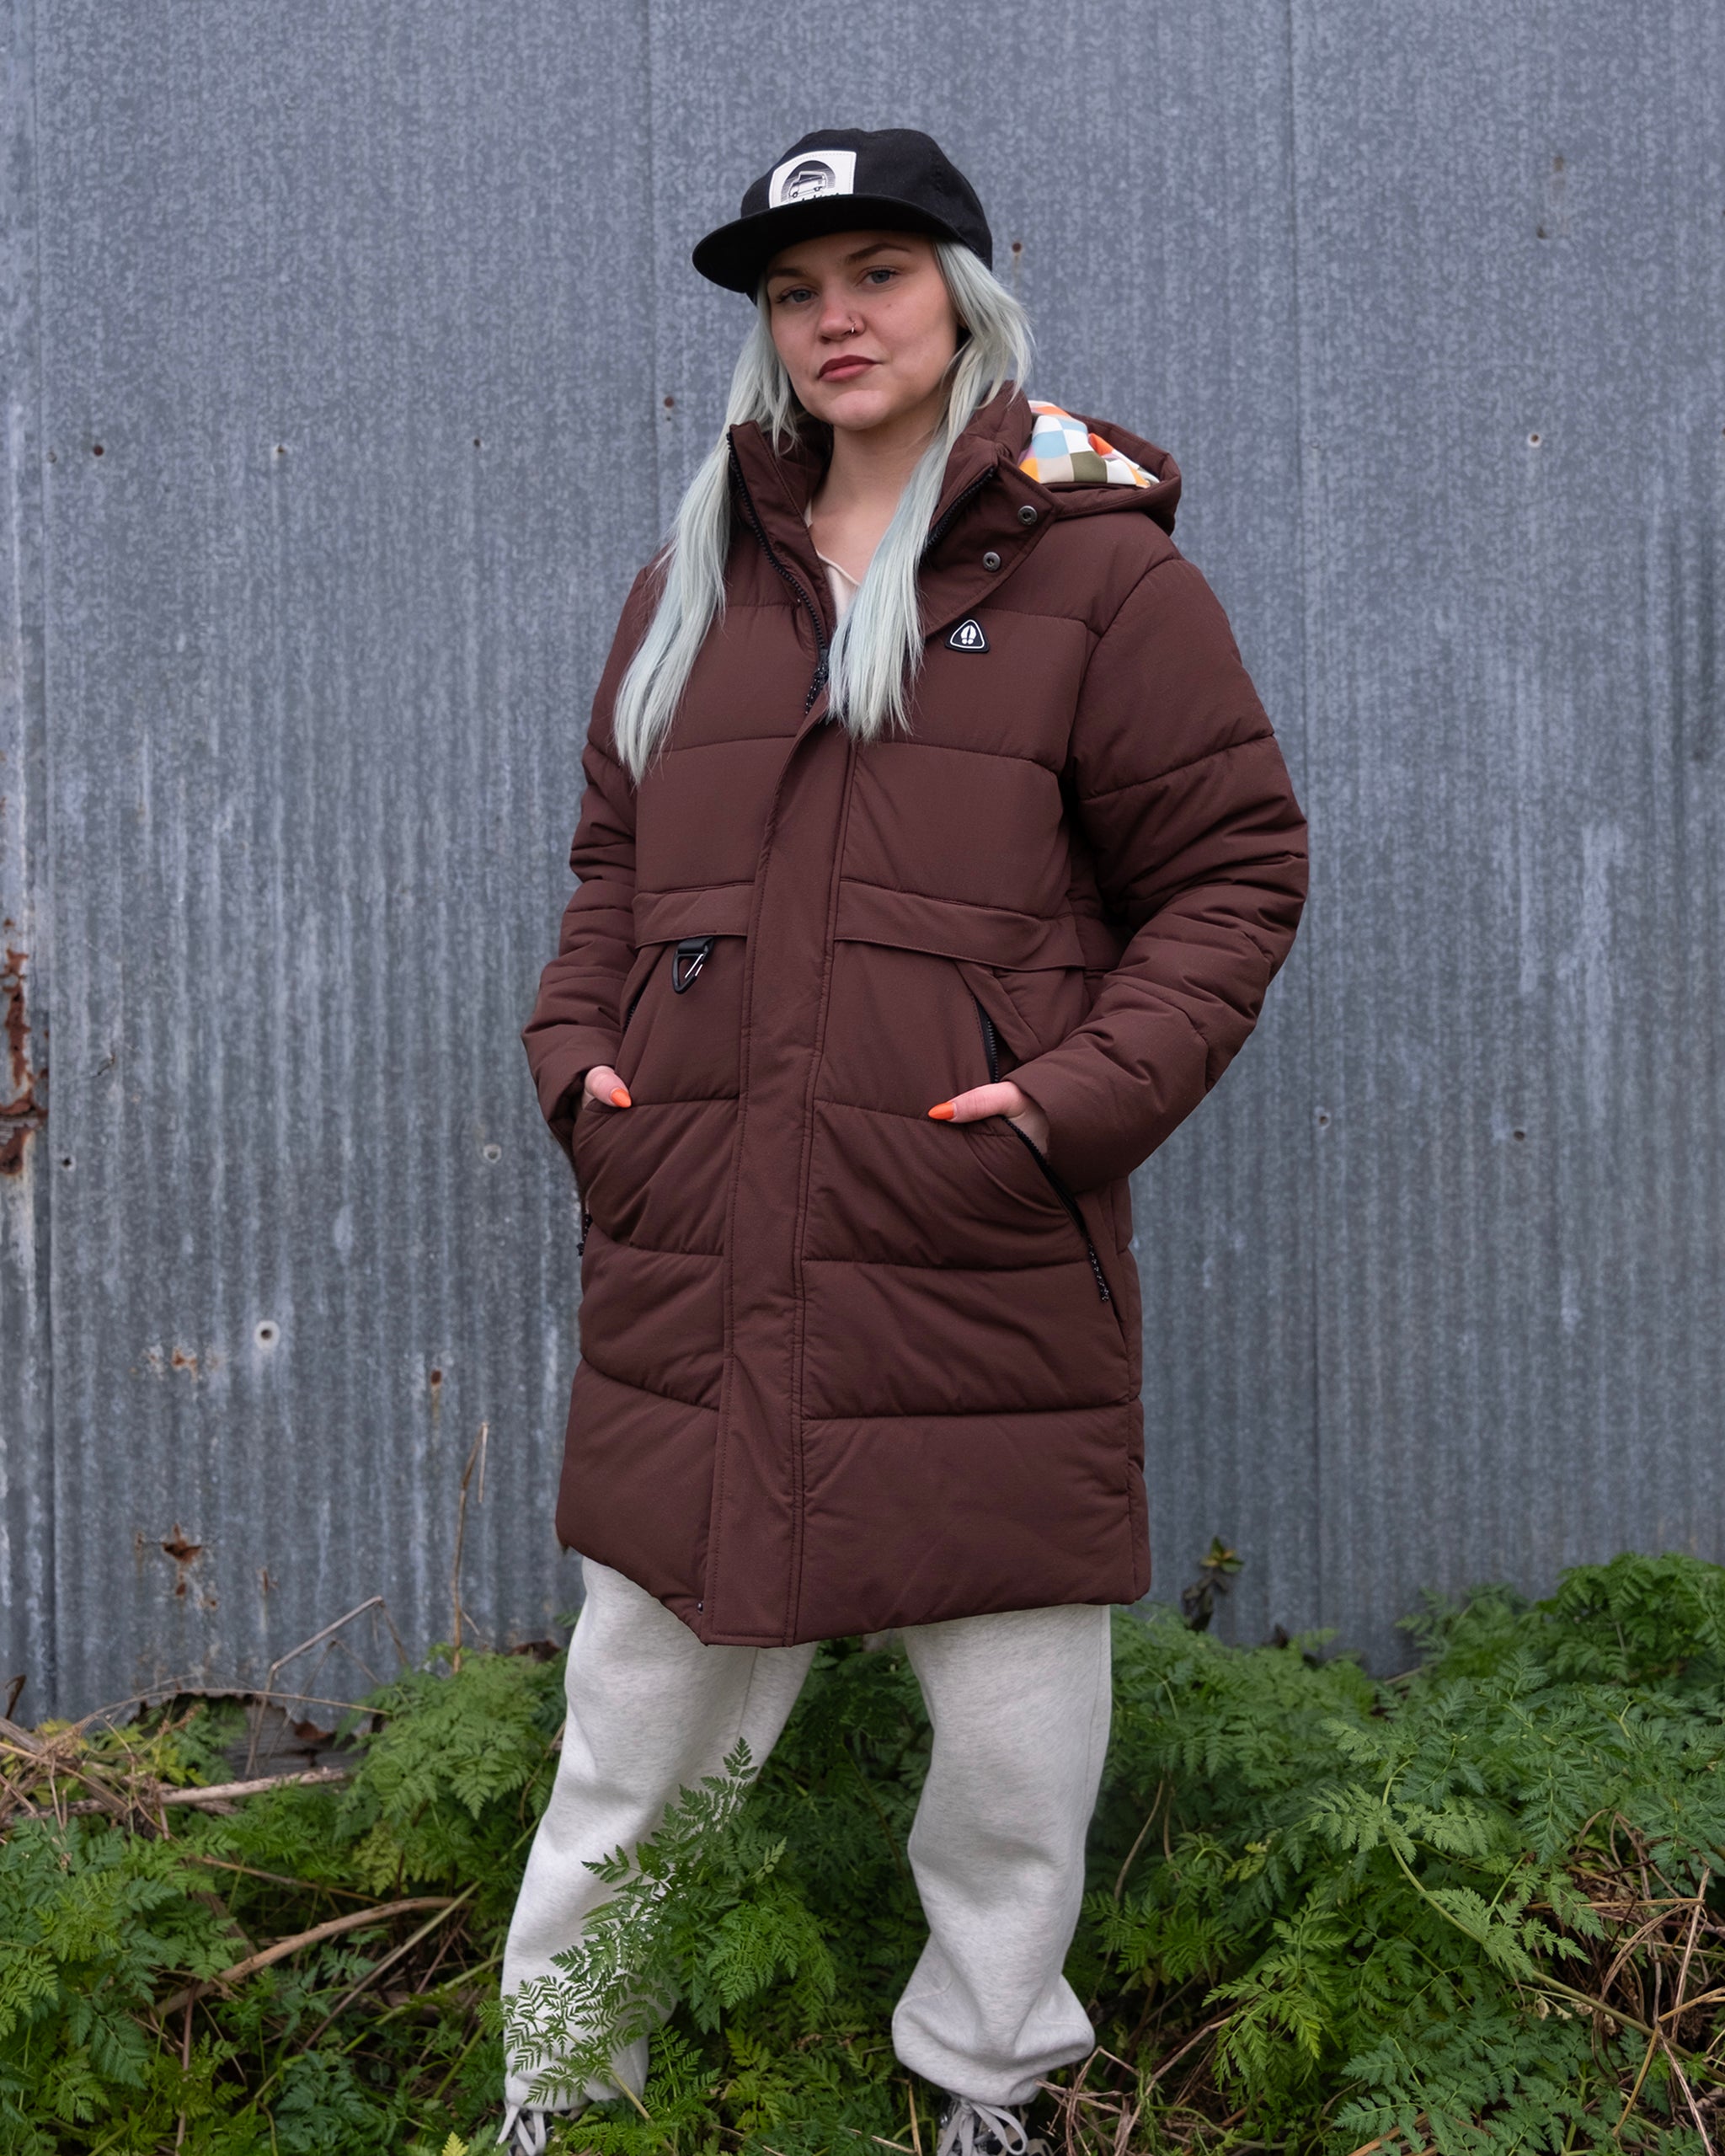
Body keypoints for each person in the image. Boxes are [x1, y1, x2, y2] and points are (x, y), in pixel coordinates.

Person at [496, 128, 1307, 2156]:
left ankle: (989, 2081)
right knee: (635, 1735)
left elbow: (1229, 874)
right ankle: (563, 2102)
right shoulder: (691, 577)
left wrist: (1063, 1101)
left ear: (963, 289)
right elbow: (614, 864)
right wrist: (580, 1055)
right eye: (792, 289)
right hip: (703, 1239)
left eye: (874, 270)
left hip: (967, 1233)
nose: (833, 317)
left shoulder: (1097, 573)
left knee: (1015, 1741)